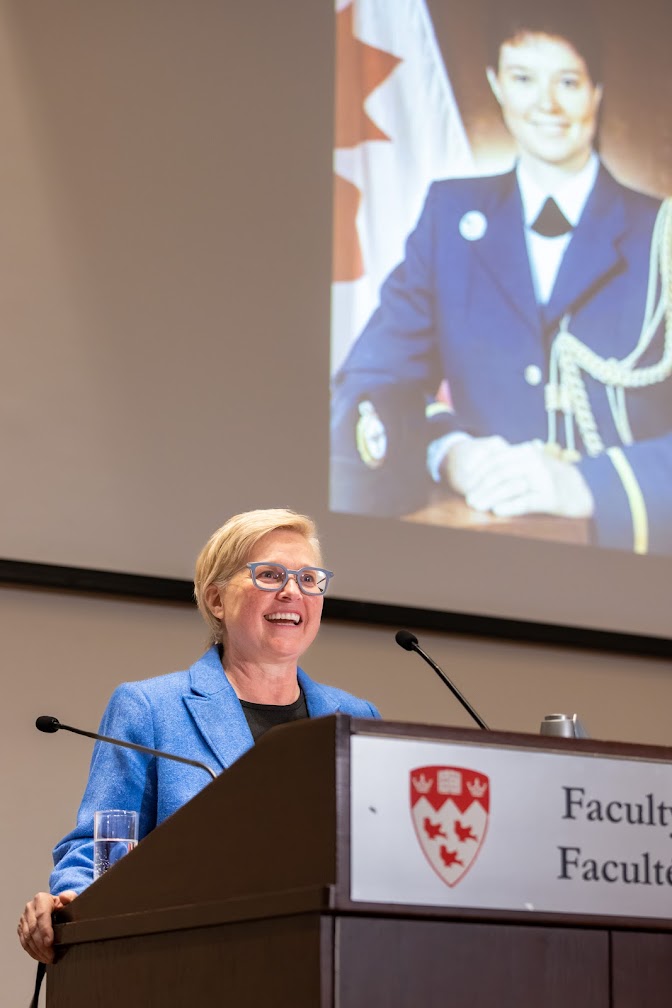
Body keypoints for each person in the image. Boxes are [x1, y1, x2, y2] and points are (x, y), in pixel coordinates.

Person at [331, 1, 672, 555]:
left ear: (596, 91)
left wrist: (587, 485)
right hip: (481, 556)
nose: (547, 104)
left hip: (636, 567)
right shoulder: (448, 218)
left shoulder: (664, 236)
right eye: (523, 78)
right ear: (496, 84)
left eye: (567, 80)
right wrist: (450, 452)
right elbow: (369, 382)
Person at [17, 507, 381, 964]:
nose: (293, 591)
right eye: (269, 575)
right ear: (216, 600)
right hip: (192, 963)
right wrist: (72, 901)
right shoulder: (151, 709)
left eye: (309, 579)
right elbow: (104, 847)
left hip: (331, 962)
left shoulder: (354, 716)